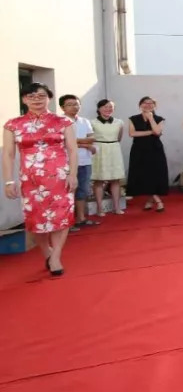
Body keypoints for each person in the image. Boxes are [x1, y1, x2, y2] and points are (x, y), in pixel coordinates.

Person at [3, 83, 78, 276]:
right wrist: (8, 180)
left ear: (49, 98)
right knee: (36, 218)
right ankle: (47, 252)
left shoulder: (63, 122)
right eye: (31, 96)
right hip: (31, 179)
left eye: (41, 96)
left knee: (62, 216)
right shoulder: (13, 124)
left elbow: (72, 149)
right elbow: (9, 154)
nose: (37, 99)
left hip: (60, 177)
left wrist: (73, 174)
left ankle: (56, 257)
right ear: (24, 99)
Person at [59, 95, 99, 231]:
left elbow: (92, 138)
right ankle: (67, 222)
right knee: (67, 192)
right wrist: (84, 144)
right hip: (66, 162)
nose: (74, 107)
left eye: (76, 104)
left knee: (82, 190)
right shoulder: (59, 122)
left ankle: (81, 218)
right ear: (62, 107)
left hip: (85, 160)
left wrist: (78, 142)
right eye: (70, 104)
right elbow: (63, 142)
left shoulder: (84, 121)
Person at [126, 96, 169, 212]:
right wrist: (150, 132)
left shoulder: (159, 118)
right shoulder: (133, 118)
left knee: (154, 174)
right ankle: (156, 200)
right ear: (140, 105)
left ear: (154, 106)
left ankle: (152, 200)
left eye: (151, 103)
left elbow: (157, 131)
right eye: (145, 103)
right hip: (139, 149)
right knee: (143, 174)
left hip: (155, 149)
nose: (148, 105)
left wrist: (150, 118)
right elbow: (132, 133)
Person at [91, 99, 126, 217]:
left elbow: (119, 137)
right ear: (99, 108)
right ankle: (100, 209)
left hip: (114, 149)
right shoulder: (92, 122)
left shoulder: (119, 122)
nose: (108, 109)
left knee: (116, 179)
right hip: (99, 150)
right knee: (99, 180)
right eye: (105, 107)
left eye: (110, 107)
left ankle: (116, 207)